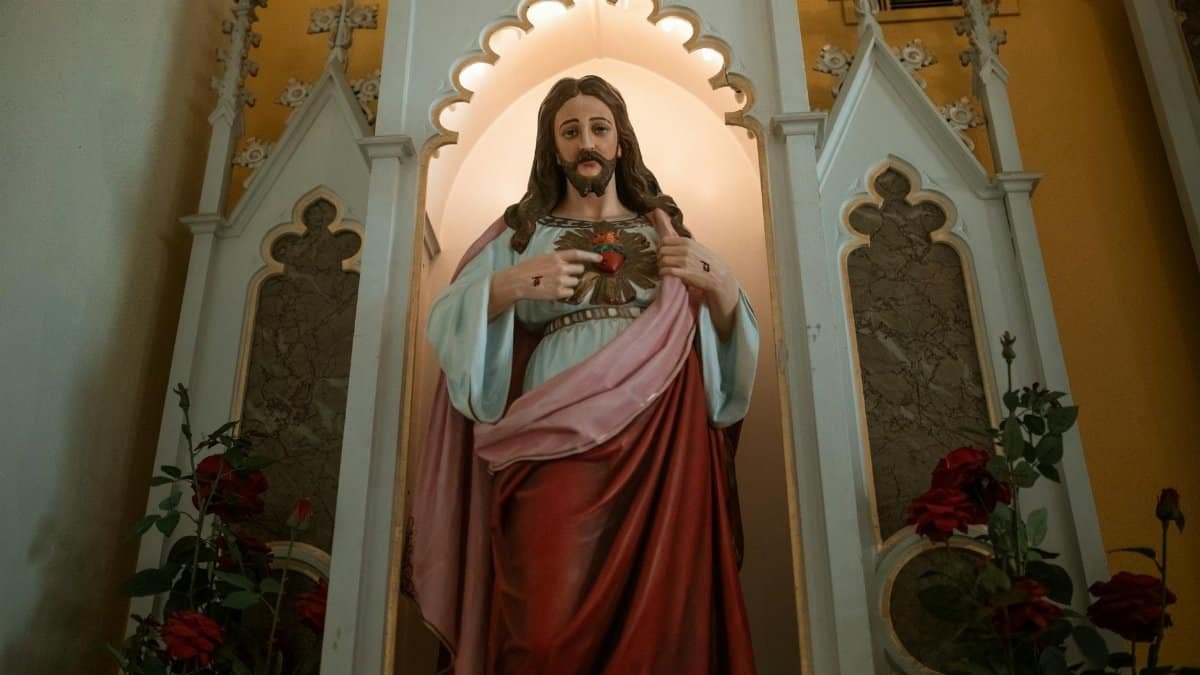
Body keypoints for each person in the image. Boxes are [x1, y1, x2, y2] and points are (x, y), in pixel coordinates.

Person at [405, 74, 759, 675]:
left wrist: (722, 286)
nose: (586, 142)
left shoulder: (664, 233)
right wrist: (508, 286)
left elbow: (726, 366)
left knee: (663, 625)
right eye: (570, 131)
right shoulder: (521, 235)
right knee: (541, 632)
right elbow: (446, 321)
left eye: (599, 128)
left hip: (662, 441)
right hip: (550, 438)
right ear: (553, 147)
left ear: (621, 142)